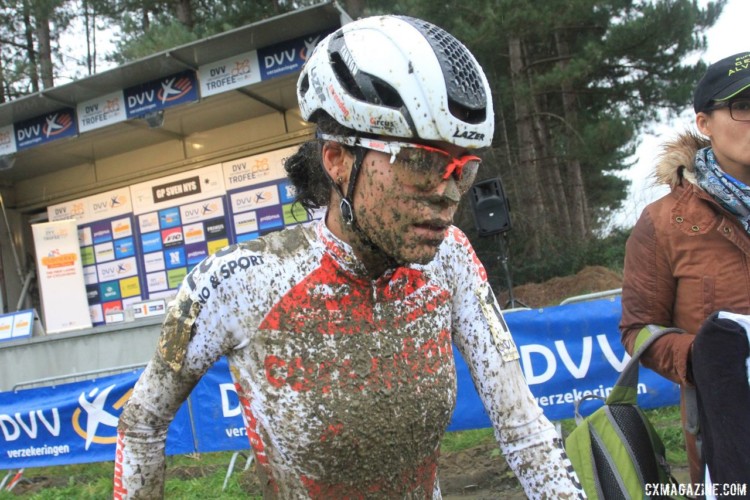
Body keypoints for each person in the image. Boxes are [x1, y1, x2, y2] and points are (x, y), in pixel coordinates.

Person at [114, 15, 584, 499]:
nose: (447, 193)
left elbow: (524, 431)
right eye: (421, 161)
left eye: (461, 169)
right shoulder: (237, 282)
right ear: (338, 160)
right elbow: (141, 426)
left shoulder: (452, 259)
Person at [620, 51, 750, 484]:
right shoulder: (663, 223)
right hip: (730, 446)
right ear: (704, 123)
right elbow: (638, 329)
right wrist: (701, 357)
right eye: (743, 107)